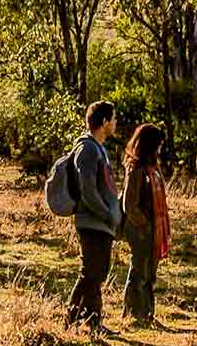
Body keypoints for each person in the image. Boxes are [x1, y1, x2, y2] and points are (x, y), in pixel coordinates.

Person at [65, 101, 122, 332]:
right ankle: (86, 320)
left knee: (96, 272)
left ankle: (82, 320)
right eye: (114, 119)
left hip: (102, 223)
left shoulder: (99, 149)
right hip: (92, 222)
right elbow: (87, 188)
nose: (116, 123)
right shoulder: (87, 148)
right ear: (105, 122)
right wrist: (106, 214)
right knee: (91, 271)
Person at [120, 123, 171, 327]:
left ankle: (147, 314)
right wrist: (144, 225)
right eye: (158, 144)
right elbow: (129, 205)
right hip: (140, 229)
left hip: (152, 230)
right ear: (150, 145)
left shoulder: (153, 168)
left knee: (150, 274)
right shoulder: (137, 169)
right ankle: (133, 315)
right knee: (139, 272)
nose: (160, 148)